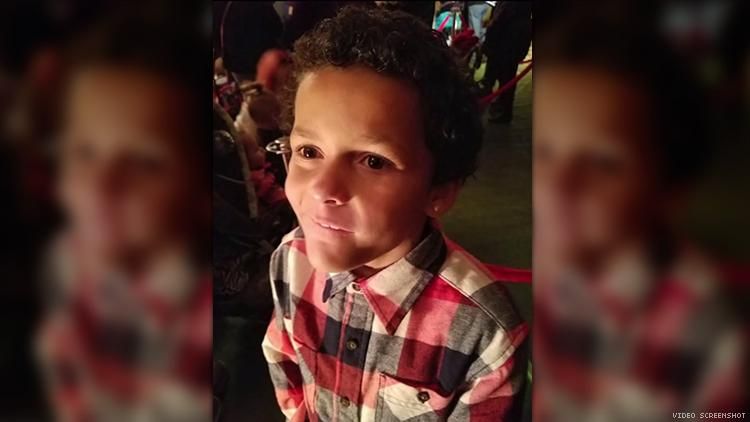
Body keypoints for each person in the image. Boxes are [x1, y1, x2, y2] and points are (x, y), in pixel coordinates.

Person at [262, 6, 527, 421]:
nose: (323, 190)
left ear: (439, 191)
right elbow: (283, 357)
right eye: (309, 152)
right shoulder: (289, 259)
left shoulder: (484, 331)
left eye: (373, 161)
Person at [533, 14, 747, 421]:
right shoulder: (545, 274)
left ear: (669, 191)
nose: (557, 185)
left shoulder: (709, 337)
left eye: (603, 163)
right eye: (543, 152)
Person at [35, 17, 212, 422]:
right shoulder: (65, 259)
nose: (102, 185)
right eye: (84, 152)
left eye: (144, 163)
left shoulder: (200, 320)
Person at [480, 1, 531, 123]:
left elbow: (504, 15)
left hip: (509, 37)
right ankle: (501, 106)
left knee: (506, 76)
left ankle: (504, 110)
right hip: (512, 36)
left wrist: (491, 32)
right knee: (505, 74)